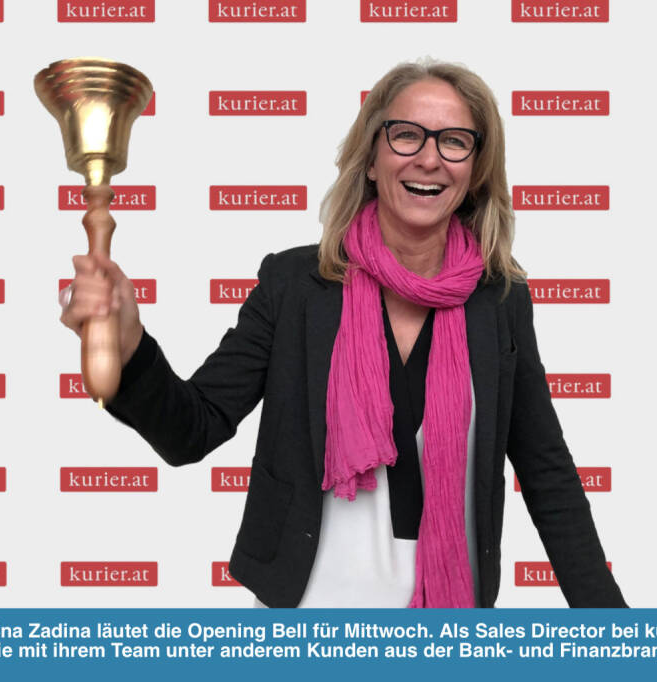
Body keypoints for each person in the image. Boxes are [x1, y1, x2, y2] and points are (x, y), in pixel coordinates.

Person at [61, 59, 626, 609]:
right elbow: (192, 429)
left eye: (455, 141)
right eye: (407, 135)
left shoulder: (499, 301)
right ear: (372, 158)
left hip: (448, 620)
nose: (430, 158)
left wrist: (615, 634)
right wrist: (128, 344)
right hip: (304, 622)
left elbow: (547, 474)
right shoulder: (294, 285)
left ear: (476, 170)